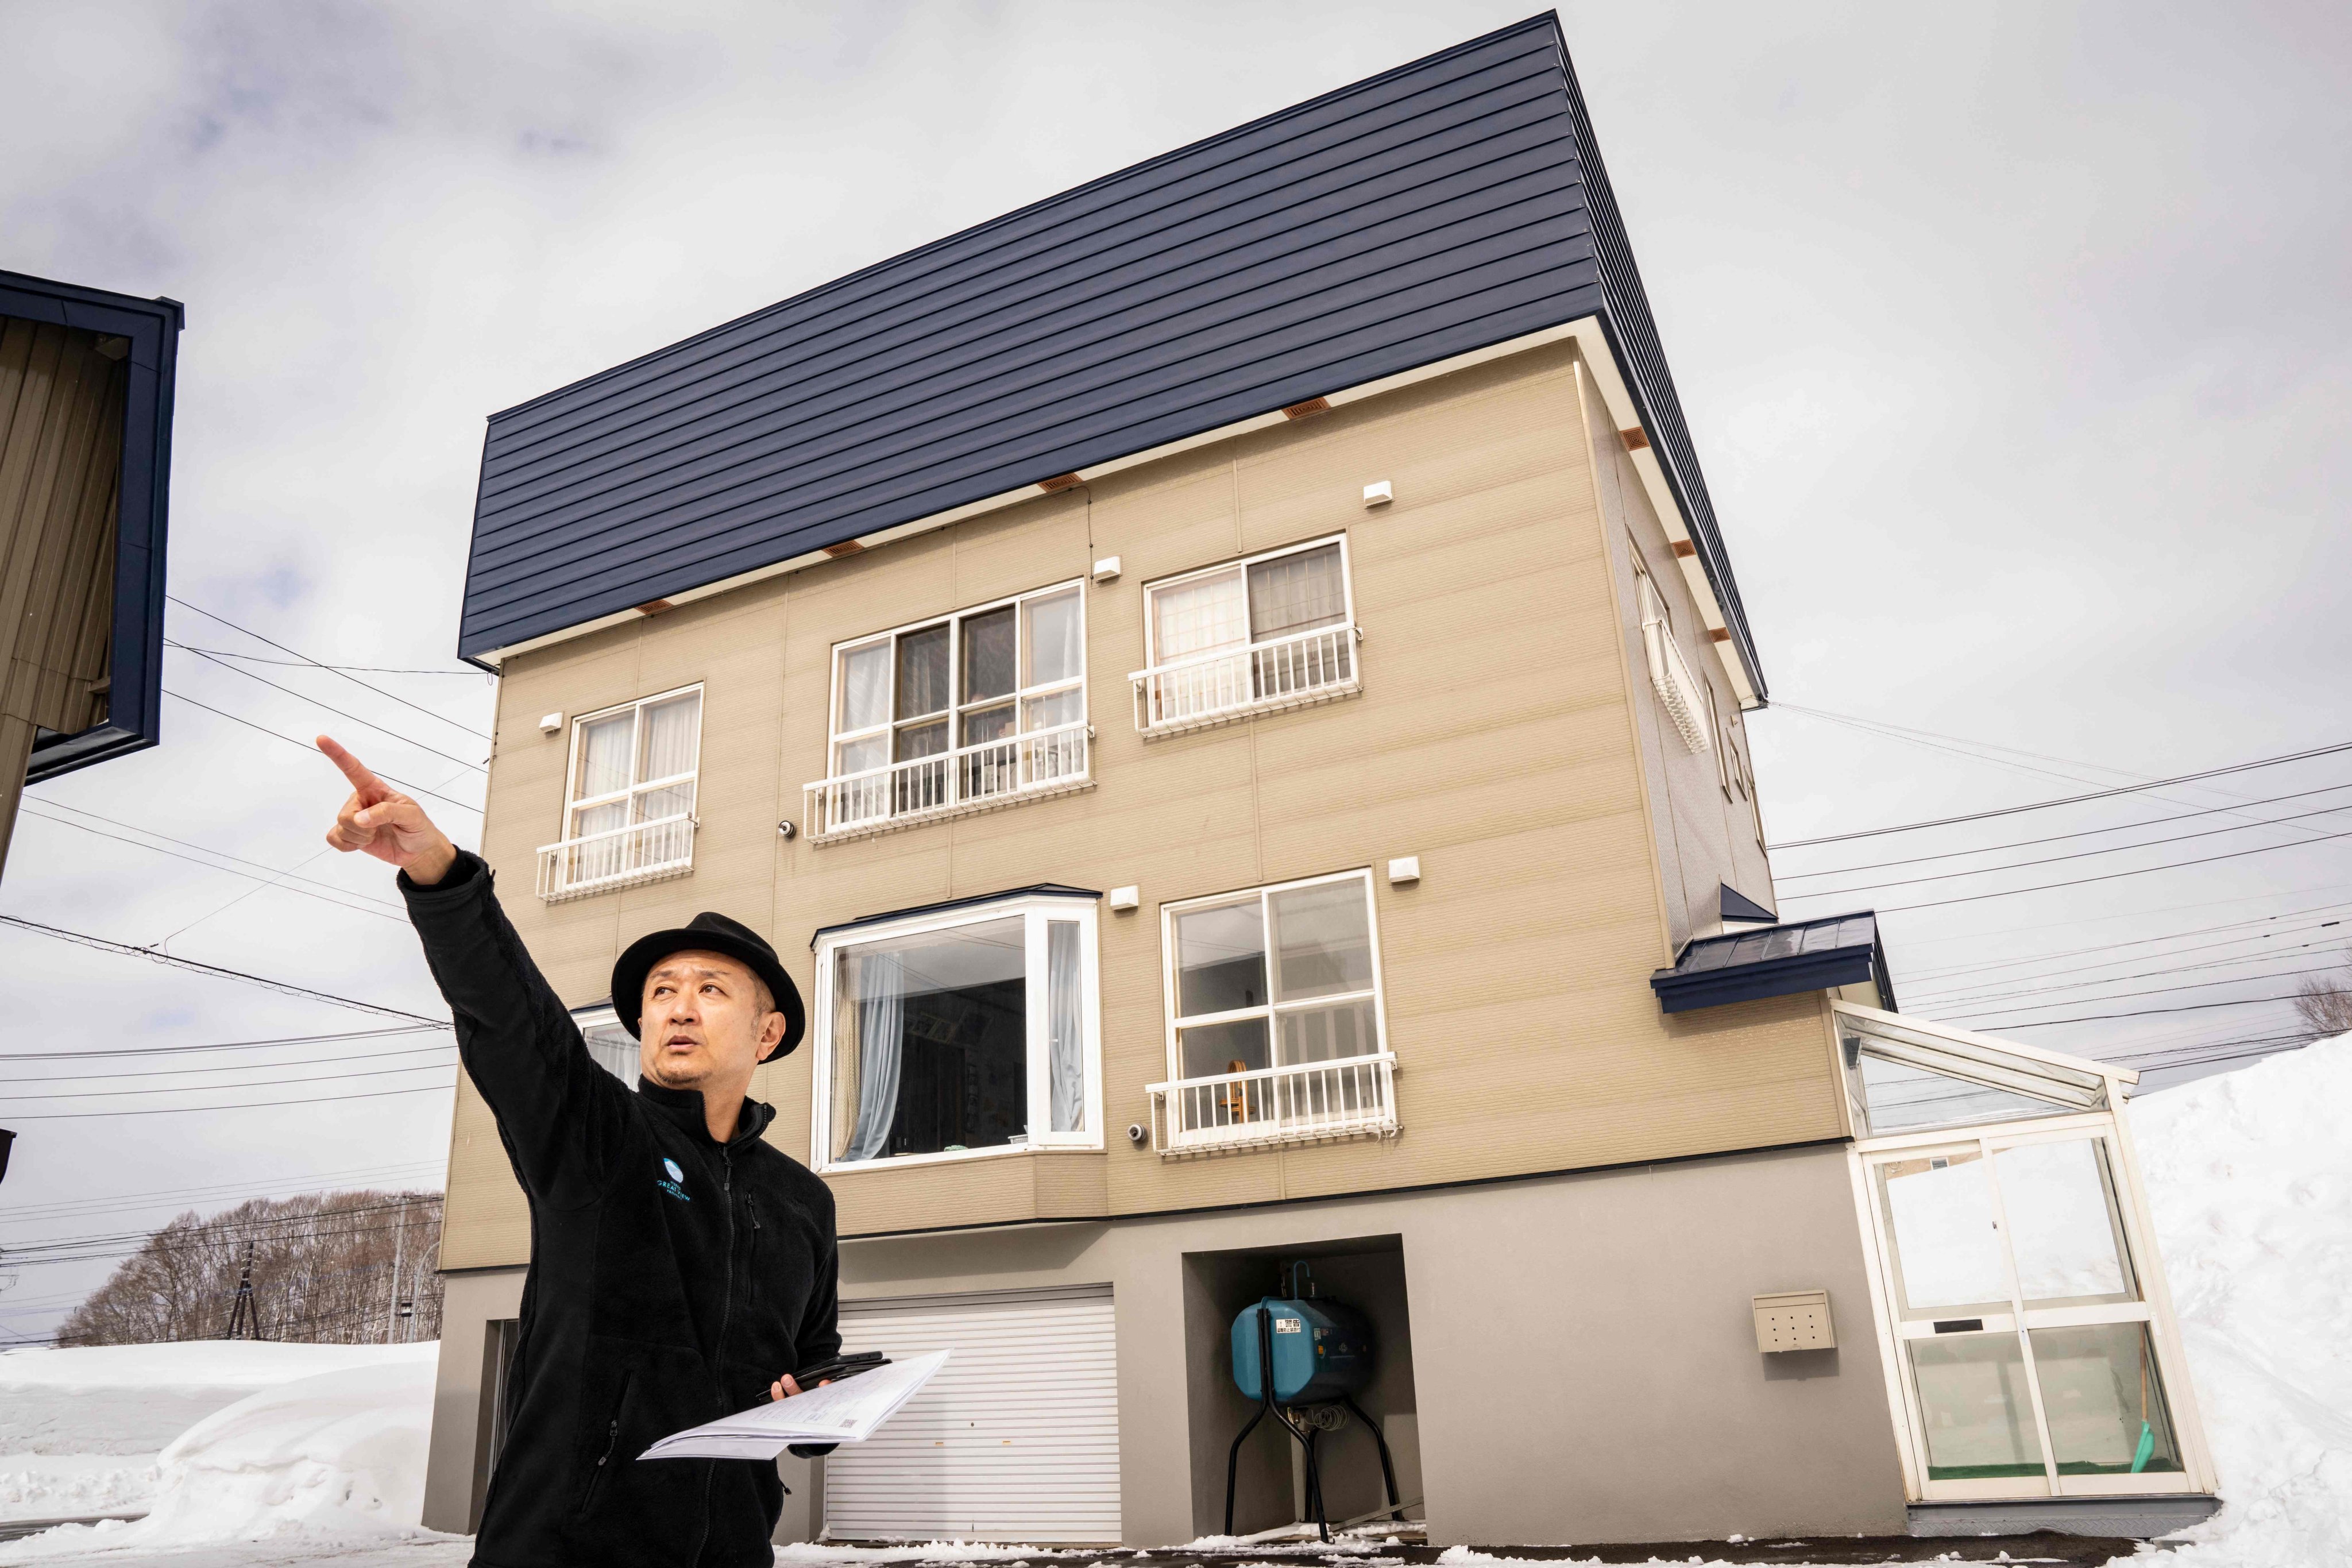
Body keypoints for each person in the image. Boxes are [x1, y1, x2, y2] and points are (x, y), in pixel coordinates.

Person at [316, 736, 839, 1567]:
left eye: (710, 989)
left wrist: (816, 1399)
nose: (678, 1006)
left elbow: (811, 1370)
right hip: (566, 1546)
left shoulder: (803, 1202)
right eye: (661, 991)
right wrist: (444, 878)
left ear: (768, 1032)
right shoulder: (600, 1137)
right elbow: (515, 1023)